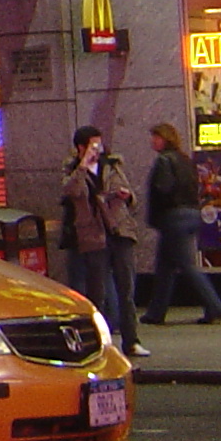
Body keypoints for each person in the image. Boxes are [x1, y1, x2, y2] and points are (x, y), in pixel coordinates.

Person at [61, 127, 145, 357]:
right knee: (97, 292)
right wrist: (82, 166)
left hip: (119, 231)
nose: (98, 150)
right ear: (80, 148)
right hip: (93, 236)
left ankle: (132, 341)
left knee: (125, 289)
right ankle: (99, 342)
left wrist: (127, 197)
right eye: (92, 146)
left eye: (99, 144)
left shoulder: (113, 165)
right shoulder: (72, 170)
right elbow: (71, 192)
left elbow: (132, 199)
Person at [141, 121, 221, 326]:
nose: (152, 141)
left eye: (156, 137)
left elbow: (163, 189)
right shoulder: (184, 159)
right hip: (190, 214)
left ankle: (215, 307)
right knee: (164, 266)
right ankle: (156, 312)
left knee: (186, 265)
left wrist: (157, 212)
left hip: (173, 216)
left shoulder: (164, 161)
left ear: (165, 138)